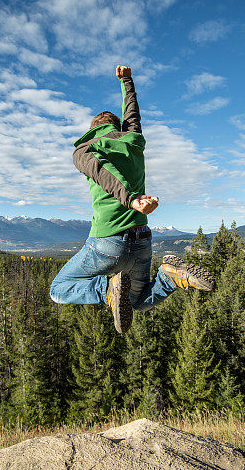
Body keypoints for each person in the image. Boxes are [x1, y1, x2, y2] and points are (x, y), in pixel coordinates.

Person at [49, 65, 215, 334]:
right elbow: (133, 115)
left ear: (93, 129)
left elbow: (101, 173)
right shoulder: (134, 141)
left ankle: (106, 290)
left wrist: (130, 200)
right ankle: (170, 278)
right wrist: (127, 81)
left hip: (107, 243)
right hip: (141, 242)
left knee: (58, 289)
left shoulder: (84, 150)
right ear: (119, 127)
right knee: (136, 302)